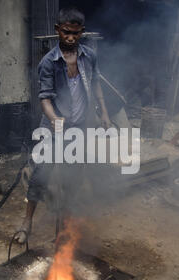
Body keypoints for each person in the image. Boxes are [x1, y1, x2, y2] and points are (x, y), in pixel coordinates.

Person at [15, 7, 112, 244]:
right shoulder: (49, 62)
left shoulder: (89, 56)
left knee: (72, 176)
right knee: (40, 174)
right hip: (52, 126)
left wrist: (104, 112)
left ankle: (65, 225)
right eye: (66, 32)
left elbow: (96, 83)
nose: (71, 38)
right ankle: (27, 220)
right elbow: (45, 98)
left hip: (78, 126)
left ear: (82, 33)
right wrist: (54, 120)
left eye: (76, 34)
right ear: (58, 30)